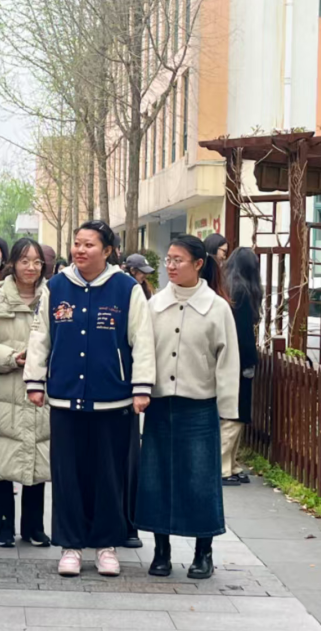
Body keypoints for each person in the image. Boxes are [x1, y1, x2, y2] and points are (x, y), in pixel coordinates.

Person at [25, 220, 156, 578]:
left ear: (108, 251)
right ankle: (70, 546)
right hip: (65, 397)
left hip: (113, 398)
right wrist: (35, 380)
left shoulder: (126, 288)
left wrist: (141, 387)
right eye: (77, 244)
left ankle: (106, 546)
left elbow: (142, 340)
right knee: (67, 474)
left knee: (109, 476)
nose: (80, 251)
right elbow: (40, 336)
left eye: (89, 245)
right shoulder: (56, 286)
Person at [136, 235, 240, 581]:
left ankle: (203, 552)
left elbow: (228, 361)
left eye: (178, 260)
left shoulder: (217, 308)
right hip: (159, 404)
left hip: (199, 407)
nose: (170, 266)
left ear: (198, 264)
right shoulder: (154, 305)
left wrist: (227, 410)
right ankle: (161, 551)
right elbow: (143, 352)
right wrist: (142, 390)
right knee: (156, 479)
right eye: (168, 259)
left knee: (200, 480)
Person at [0, 237, 51, 548]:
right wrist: (12, 357)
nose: (31, 267)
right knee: (2, 459)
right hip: (2, 389)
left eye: (36, 261)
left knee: (36, 457)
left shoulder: (52, 298)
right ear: (13, 264)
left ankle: (34, 527)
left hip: (40, 389)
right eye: (24, 261)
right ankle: (1, 526)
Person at [220, 247, 261, 486]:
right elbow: (244, 333)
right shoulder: (242, 292)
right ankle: (223, 467)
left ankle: (231, 463)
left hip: (225, 358)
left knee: (232, 413)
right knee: (235, 414)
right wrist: (249, 361)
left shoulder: (227, 287)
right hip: (238, 361)